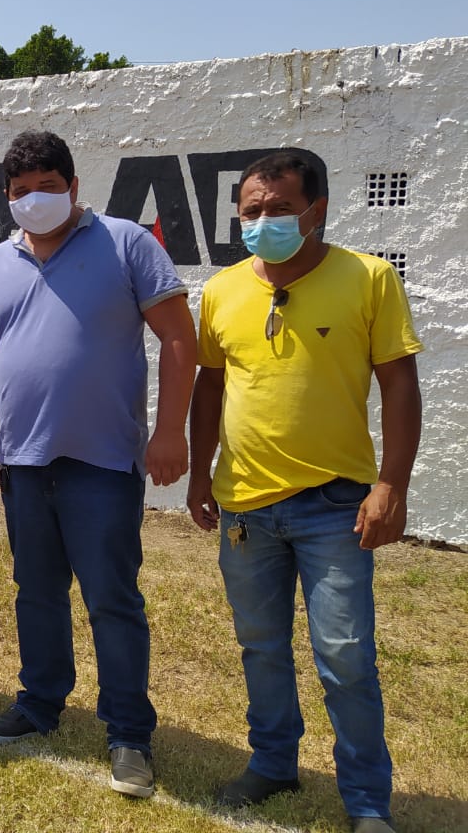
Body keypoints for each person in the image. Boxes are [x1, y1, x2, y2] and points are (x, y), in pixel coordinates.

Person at [187, 152, 422, 833]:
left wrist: (392, 487)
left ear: (316, 211)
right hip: (245, 506)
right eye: (252, 211)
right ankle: (272, 763)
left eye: (279, 209)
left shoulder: (369, 279)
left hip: (335, 506)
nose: (264, 221)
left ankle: (367, 801)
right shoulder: (223, 291)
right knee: (260, 645)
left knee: (345, 655)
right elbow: (210, 386)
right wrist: (202, 474)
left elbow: (399, 384)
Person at [0, 130, 196, 799]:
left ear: (73, 186)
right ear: (7, 197)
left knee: (111, 600)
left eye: (47, 187)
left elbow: (179, 338)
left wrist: (170, 431)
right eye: (21, 191)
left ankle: (128, 736)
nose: (35, 200)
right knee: (35, 592)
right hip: (24, 461)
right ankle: (38, 705)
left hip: (101, 460)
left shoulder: (126, 243)